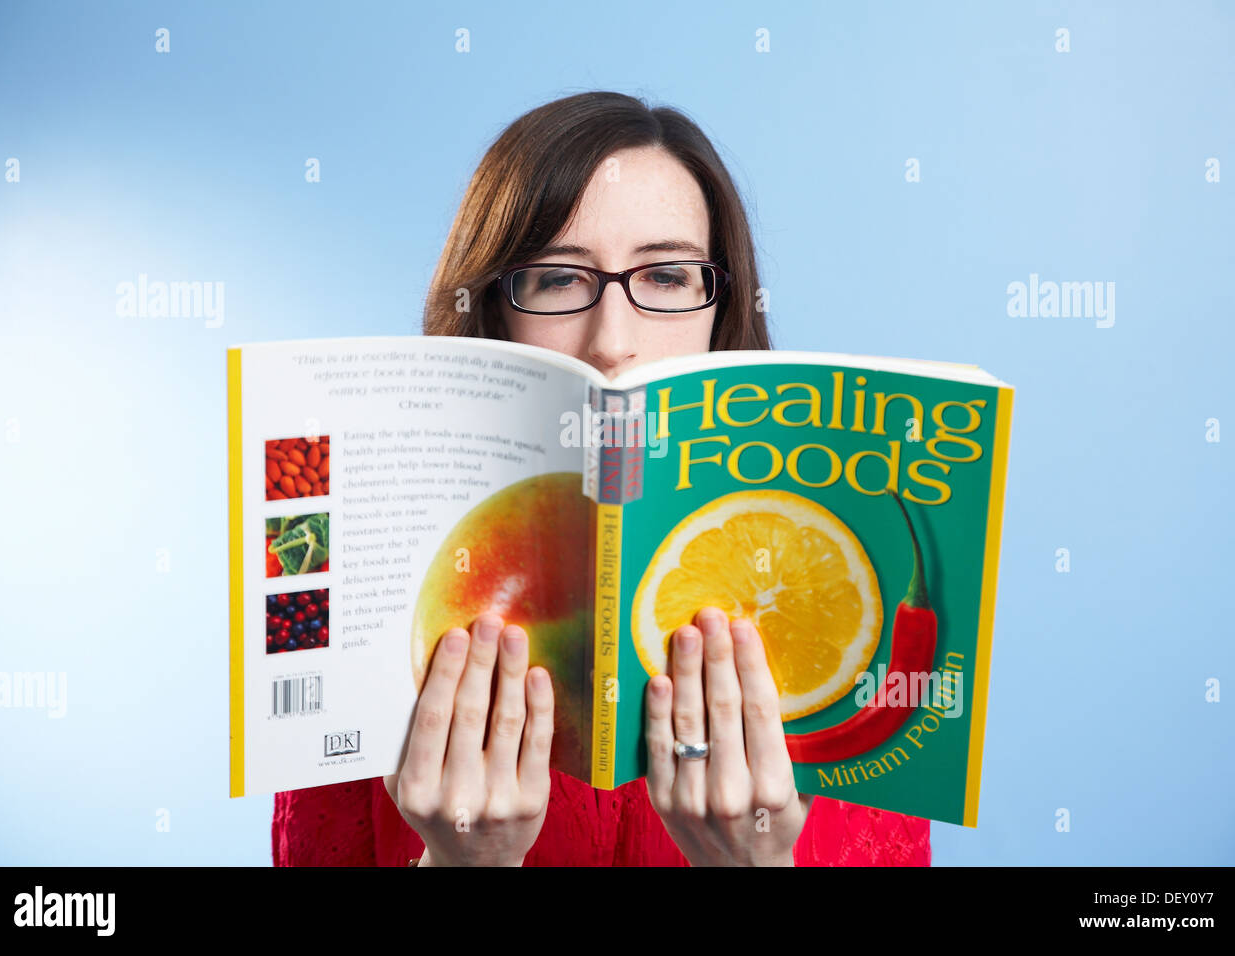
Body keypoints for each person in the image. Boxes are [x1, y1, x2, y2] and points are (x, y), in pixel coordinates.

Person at [273, 91, 931, 866]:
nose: (611, 341)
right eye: (556, 279)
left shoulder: (853, 639)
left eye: (668, 276)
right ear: (493, 306)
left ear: (719, 310)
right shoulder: (355, 613)